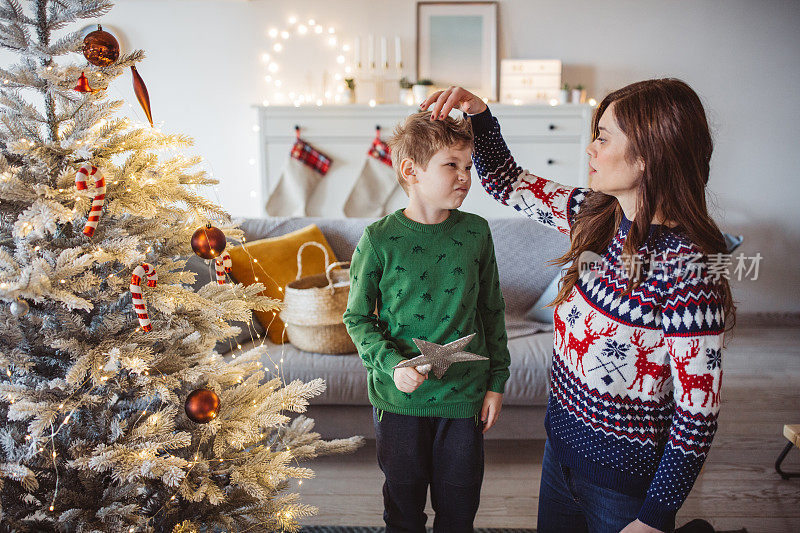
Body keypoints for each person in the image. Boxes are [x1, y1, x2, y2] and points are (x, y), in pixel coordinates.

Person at [421, 80, 736, 533]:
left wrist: (654, 517)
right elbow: (507, 183)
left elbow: (697, 414)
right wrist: (480, 114)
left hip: (624, 491)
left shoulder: (689, 272)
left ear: (649, 154)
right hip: (559, 457)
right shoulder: (595, 215)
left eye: (604, 137)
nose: (590, 148)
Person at [343, 110, 511, 532]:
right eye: (451, 165)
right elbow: (358, 317)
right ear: (410, 171)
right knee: (402, 512)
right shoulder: (378, 239)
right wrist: (392, 365)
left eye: (468, 166)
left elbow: (492, 310)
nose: (465, 177)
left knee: (458, 512)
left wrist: (496, 383)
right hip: (400, 404)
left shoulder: (476, 232)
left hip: (463, 398)